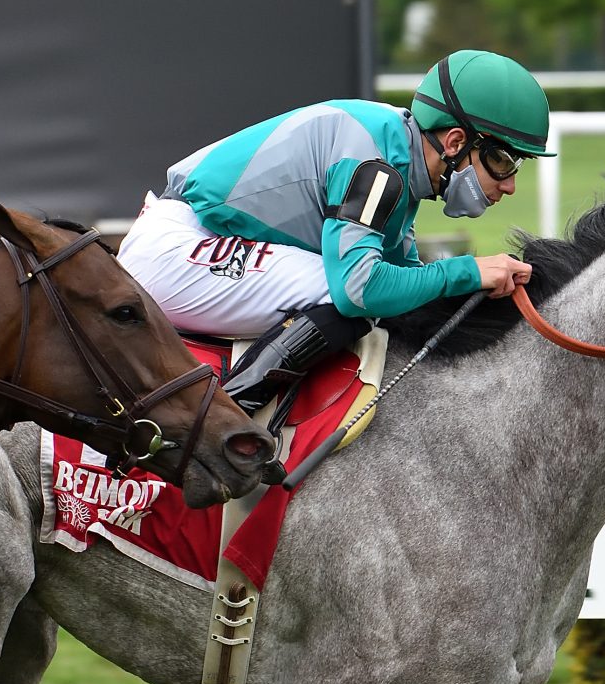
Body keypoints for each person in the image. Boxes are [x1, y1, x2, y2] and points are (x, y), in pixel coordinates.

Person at [115, 49, 551, 413]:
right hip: (173, 250)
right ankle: (228, 419)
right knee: (346, 294)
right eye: (502, 161)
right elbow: (359, 290)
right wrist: (470, 272)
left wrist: (476, 284)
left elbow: (408, 284)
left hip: (195, 240)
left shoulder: (397, 155)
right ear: (455, 142)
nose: (510, 184)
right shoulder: (377, 167)